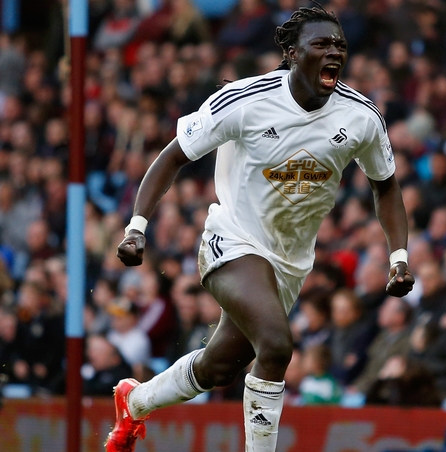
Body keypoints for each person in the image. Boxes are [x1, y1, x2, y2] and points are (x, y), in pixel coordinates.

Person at [106, 6, 415, 452]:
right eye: (321, 44)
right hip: (232, 239)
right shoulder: (244, 100)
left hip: (289, 262)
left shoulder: (361, 117)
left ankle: (134, 402)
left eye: (340, 46)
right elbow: (173, 156)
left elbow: (385, 187)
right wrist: (137, 226)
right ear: (292, 53)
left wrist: (398, 257)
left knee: (218, 368)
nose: (334, 53)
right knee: (275, 344)